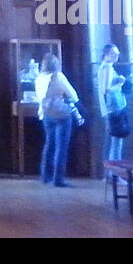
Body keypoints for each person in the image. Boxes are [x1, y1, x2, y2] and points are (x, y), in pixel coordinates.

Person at [35, 53, 79, 188]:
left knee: (49, 144)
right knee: (61, 147)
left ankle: (45, 175)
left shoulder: (39, 78)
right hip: (61, 113)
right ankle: (58, 178)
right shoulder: (58, 76)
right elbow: (72, 94)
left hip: (46, 113)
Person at [97, 43, 129, 161]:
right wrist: (120, 82)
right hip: (114, 108)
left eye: (117, 54)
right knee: (116, 143)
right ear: (106, 55)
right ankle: (115, 174)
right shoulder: (107, 68)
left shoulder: (104, 67)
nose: (116, 56)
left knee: (111, 141)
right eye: (113, 54)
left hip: (109, 108)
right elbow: (106, 89)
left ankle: (109, 174)